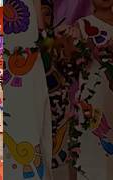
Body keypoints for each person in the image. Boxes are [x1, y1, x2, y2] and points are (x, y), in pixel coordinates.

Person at [56, 0, 113, 179]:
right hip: (92, 97)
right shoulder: (81, 25)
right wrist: (68, 44)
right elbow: (71, 62)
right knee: (92, 145)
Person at [4, 0, 53, 179]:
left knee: (30, 115)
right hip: (7, 57)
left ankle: (30, 167)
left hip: (27, 56)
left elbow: (42, 32)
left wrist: (44, 36)